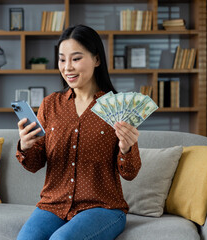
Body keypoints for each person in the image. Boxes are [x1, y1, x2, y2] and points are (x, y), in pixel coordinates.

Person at [15, 24, 141, 240]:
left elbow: (130, 173)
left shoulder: (116, 107)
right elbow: (35, 164)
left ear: (97, 59)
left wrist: (126, 148)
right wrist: (26, 147)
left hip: (103, 207)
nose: (67, 68)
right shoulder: (50, 104)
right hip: (53, 205)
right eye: (62, 59)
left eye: (76, 59)